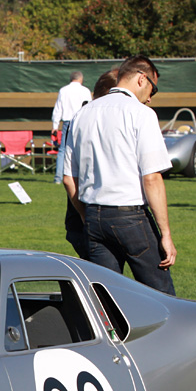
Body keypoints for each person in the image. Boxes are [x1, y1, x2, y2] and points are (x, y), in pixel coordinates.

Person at [61, 55, 176, 295]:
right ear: (142, 79)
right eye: (153, 89)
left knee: (106, 301)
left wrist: (85, 216)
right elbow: (152, 178)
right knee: (161, 297)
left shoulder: (81, 115)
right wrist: (165, 234)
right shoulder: (142, 114)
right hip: (130, 215)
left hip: (93, 215)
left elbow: (69, 178)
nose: (151, 97)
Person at [63, 68, 117, 258]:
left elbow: (69, 179)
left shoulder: (80, 118)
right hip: (106, 214)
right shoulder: (113, 121)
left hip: (82, 216)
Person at [51, 71, 93, 185]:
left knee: (63, 149)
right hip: (81, 122)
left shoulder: (63, 90)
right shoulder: (85, 91)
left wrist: (55, 126)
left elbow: (58, 109)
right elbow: (89, 107)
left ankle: (58, 177)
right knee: (83, 148)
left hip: (67, 122)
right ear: (81, 79)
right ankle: (84, 176)